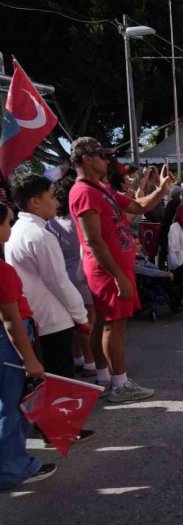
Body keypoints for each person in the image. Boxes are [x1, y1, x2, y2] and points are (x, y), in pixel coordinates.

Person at [68, 137, 172, 403]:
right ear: (87, 158)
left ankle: (105, 379)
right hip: (107, 271)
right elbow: (93, 240)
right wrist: (118, 275)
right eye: (103, 155)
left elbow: (138, 207)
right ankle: (120, 385)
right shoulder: (84, 192)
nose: (108, 160)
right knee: (113, 326)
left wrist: (161, 189)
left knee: (104, 323)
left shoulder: (100, 189)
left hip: (113, 268)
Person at [6, 173, 90, 379]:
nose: (57, 202)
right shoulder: (41, 235)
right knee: (60, 383)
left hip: (36, 319)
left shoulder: (17, 230)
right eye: (51, 197)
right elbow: (59, 283)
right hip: (53, 321)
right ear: (35, 202)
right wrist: (81, 316)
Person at [0, 203, 57, 489]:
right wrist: (29, 359)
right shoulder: (3, 272)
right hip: (10, 343)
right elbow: (11, 320)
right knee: (11, 406)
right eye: (7, 223)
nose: (10, 229)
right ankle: (12, 467)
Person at [46, 176, 96, 378]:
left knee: (73, 323)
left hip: (63, 275)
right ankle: (91, 362)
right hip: (82, 274)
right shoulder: (78, 221)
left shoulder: (51, 222)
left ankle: (78, 359)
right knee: (87, 322)